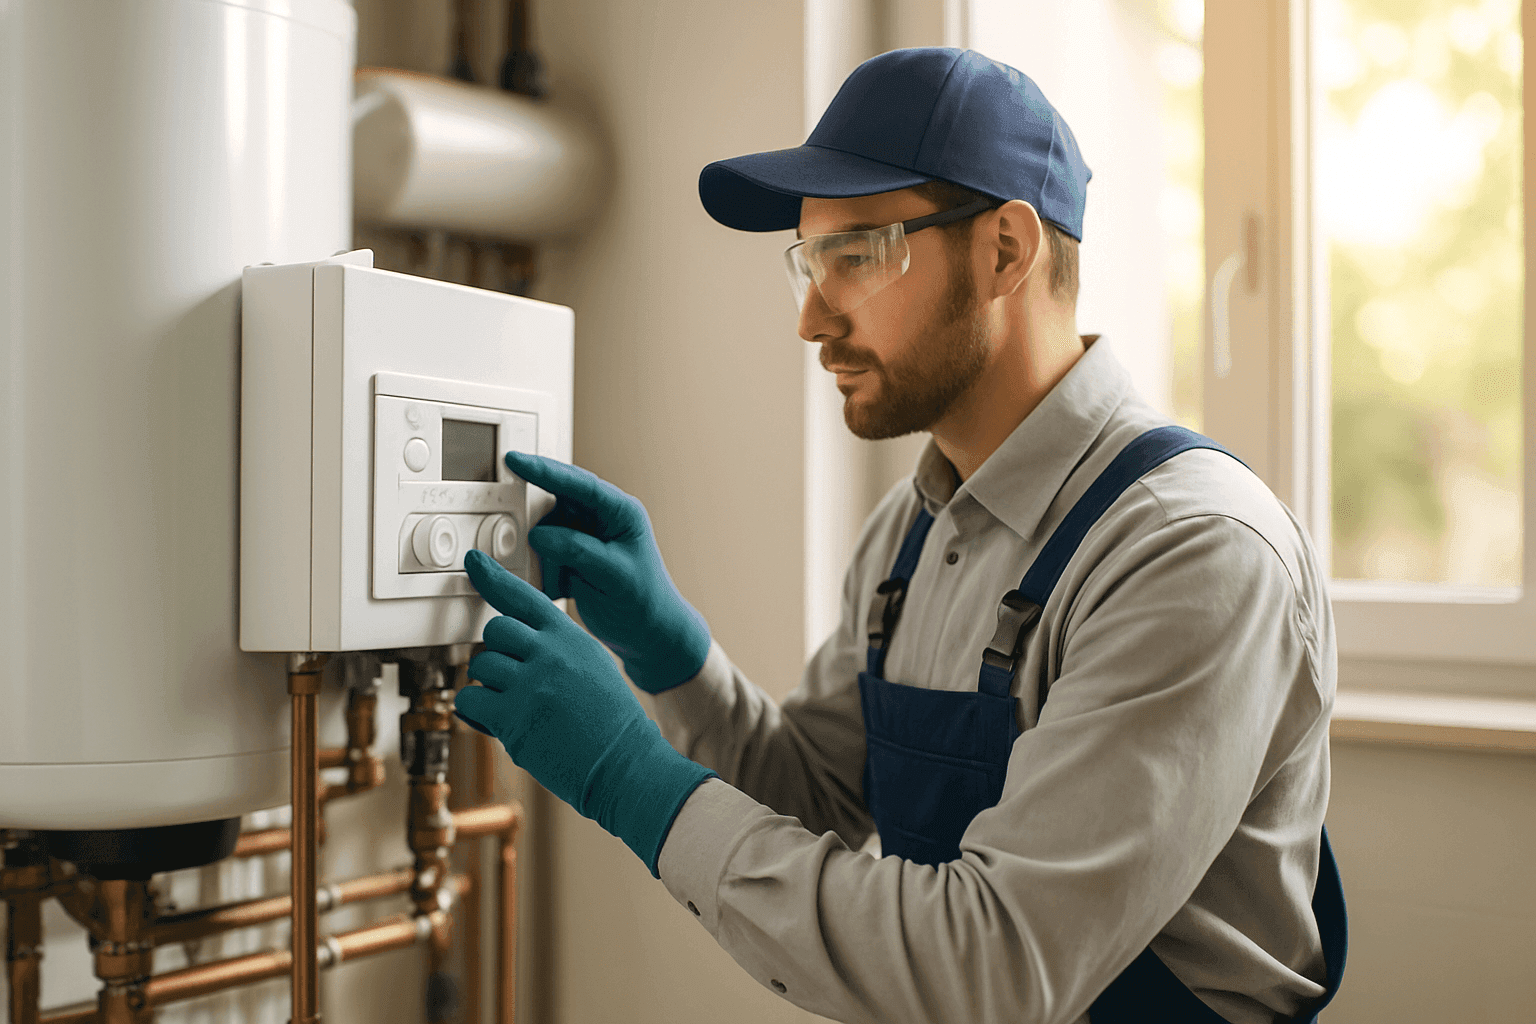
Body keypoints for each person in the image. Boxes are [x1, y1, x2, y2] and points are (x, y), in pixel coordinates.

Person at [452, 47, 1346, 1024]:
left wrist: (629, 774)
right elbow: (822, 798)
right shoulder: (913, 532)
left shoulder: (1194, 550)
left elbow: (995, 966)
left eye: (857, 255)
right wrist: (671, 656)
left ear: (1005, 250)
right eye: (807, 260)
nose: (810, 316)